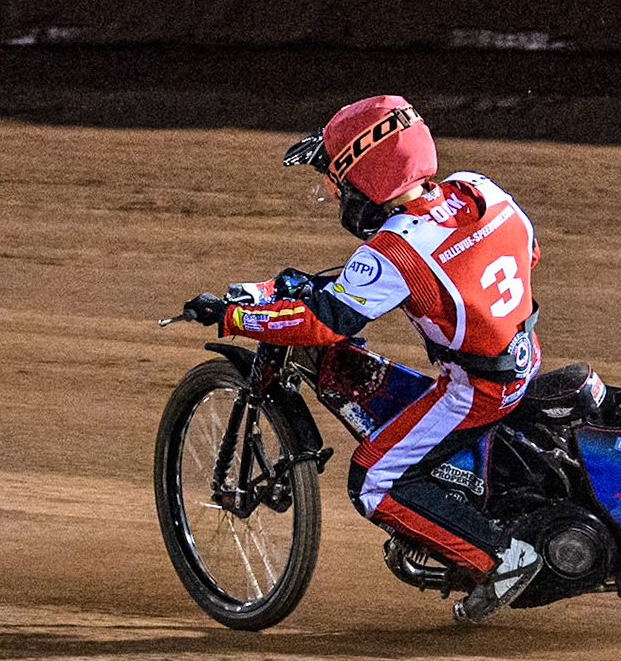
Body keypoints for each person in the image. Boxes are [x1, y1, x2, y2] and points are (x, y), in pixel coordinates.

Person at [183, 95, 542, 624]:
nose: (336, 194)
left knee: (374, 481)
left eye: (337, 181)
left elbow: (322, 323)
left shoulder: (395, 250)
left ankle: (501, 557)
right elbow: (527, 252)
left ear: (364, 176)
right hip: (523, 355)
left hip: (477, 390)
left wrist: (232, 319)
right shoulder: (479, 190)